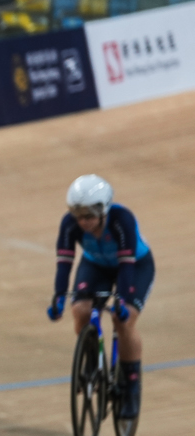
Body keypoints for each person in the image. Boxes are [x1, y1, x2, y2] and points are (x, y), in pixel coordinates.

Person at [51, 174, 152, 419]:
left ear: (104, 209)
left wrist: (122, 300)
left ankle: (130, 386)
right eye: (78, 215)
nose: (83, 221)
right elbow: (64, 263)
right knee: (81, 310)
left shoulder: (122, 219)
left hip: (134, 266)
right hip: (95, 266)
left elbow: (126, 265)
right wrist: (58, 297)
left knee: (123, 321)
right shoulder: (70, 223)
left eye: (89, 215)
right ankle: (90, 361)